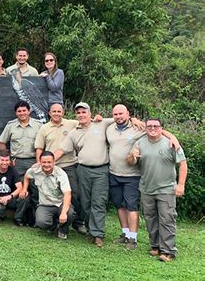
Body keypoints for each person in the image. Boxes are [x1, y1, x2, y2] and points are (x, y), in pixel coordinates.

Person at [107, 104, 180, 250]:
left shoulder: (138, 128)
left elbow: (156, 130)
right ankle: (125, 234)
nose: (118, 116)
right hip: (114, 173)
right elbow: (94, 120)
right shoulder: (109, 127)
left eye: (121, 113)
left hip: (132, 175)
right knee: (119, 205)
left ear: (128, 113)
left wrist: (173, 138)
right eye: (115, 114)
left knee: (131, 206)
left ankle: (132, 239)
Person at [54, 102, 116, 247]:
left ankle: (98, 234)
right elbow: (61, 150)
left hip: (101, 170)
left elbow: (121, 119)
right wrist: (46, 162)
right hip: (83, 170)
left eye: (84, 112)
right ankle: (90, 230)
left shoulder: (101, 124)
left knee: (98, 202)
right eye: (79, 113)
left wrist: (135, 120)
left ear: (90, 113)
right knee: (85, 202)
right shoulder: (74, 133)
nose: (81, 115)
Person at [127, 118, 187, 262]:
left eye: (155, 126)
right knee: (150, 219)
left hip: (166, 189)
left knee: (167, 219)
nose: (152, 128)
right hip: (147, 189)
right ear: (145, 128)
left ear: (161, 128)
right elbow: (130, 162)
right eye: (149, 126)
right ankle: (155, 246)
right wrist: (132, 156)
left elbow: (183, 164)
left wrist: (181, 184)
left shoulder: (170, 143)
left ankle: (168, 251)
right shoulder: (140, 142)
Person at [34, 104, 87, 235]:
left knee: (75, 194)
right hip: (50, 167)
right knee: (46, 193)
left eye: (59, 111)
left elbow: (87, 121)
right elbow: (39, 148)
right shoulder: (44, 128)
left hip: (69, 165)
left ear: (63, 112)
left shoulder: (72, 124)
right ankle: (51, 222)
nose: (57, 113)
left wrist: (132, 120)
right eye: (54, 111)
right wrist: (39, 164)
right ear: (49, 113)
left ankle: (77, 223)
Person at [0, 100, 43, 226]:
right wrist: (7, 158)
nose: (22, 113)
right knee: (20, 191)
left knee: (35, 190)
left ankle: (35, 218)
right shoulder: (11, 126)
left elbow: (43, 144)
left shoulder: (38, 125)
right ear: (16, 113)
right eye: (19, 111)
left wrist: (39, 161)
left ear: (29, 111)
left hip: (33, 161)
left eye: (24, 110)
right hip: (16, 162)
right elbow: (2, 142)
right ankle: (19, 217)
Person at [22, 151, 74, 239]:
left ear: (54, 162)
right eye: (44, 162)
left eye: (49, 162)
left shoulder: (61, 174)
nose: (46, 165)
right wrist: (24, 189)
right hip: (45, 205)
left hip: (59, 204)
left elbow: (67, 194)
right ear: (40, 162)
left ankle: (62, 230)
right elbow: (27, 176)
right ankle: (53, 226)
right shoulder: (35, 170)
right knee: (41, 222)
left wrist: (64, 212)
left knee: (69, 213)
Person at [0, 150, 25, 224]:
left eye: (7, 160)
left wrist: (10, 196)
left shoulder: (13, 171)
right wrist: (0, 200)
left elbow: (19, 187)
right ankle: (0, 215)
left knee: (24, 197)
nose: (4, 163)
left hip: (10, 198)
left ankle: (17, 218)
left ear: (9, 161)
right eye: (2, 160)